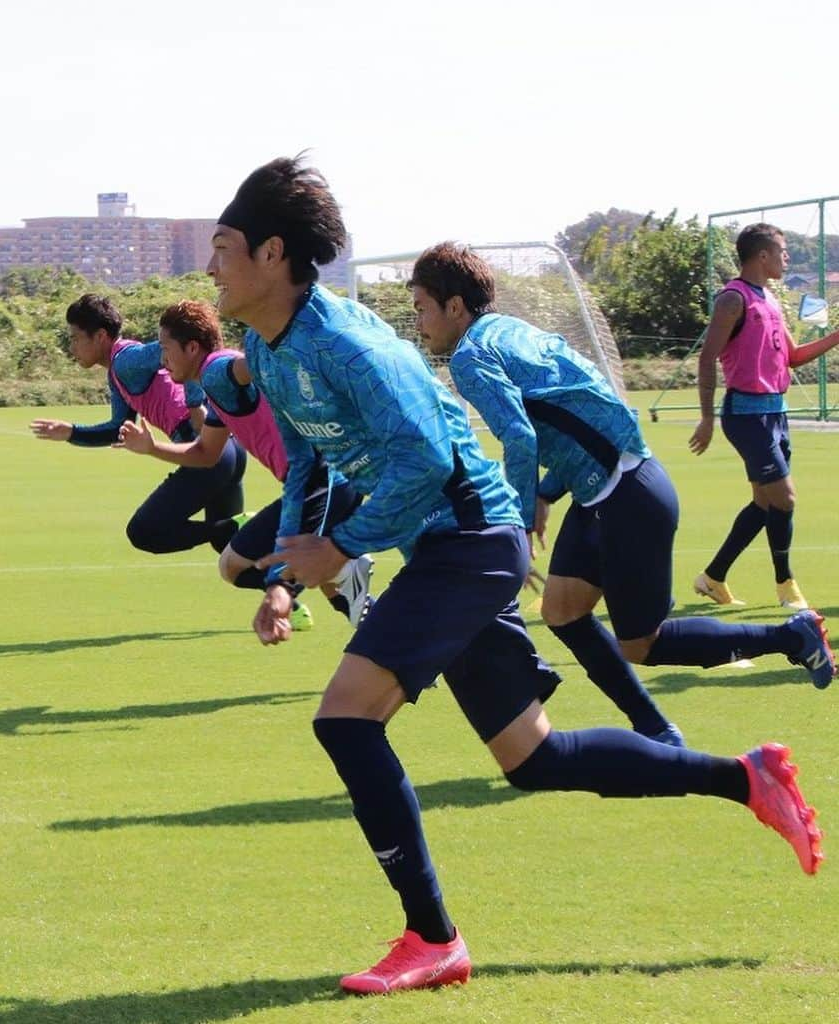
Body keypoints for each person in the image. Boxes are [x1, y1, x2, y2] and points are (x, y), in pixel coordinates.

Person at [208, 156, 824, 996]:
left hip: (471, 538)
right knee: (533, 758)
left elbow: (426, 457)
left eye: (222, 247)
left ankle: (432, 938)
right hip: (450, 548)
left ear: (272, 254)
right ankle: (743, 776)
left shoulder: (346, 341)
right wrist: (285, 567)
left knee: (346, 720)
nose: (211, 267)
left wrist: (345, 546)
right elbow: (311, 460)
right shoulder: (265, 346)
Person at [409, 241, 836, 702]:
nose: (417, 324)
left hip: (624, 496)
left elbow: (520, 437)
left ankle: (791, 637)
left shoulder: (470, 357)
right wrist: (548, 492)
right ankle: (652, 729)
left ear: (454, 306)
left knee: (641, 643)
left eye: (420, 308)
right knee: (561, 611)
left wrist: (515, 522)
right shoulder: (511, 330)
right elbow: (581, 412)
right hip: (616, 488)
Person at [118, 297, 374, 627]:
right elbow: (206, 453)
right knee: (330, 585)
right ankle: (400, 653)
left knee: (235, 566)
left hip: (320, 482)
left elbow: (249, 363)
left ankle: (344, 568)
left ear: (192, 347)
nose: (162, 360)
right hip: (321, 484)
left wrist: (287, 347)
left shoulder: (215, 370)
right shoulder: (215, 388)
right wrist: (152, 448)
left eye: (166, 349)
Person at [690, 223, 839, 609]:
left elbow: (793, 357)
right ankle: (786, 584)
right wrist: (706, 418)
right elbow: (707, 358)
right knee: (785, 500)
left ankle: (712, 577)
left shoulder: (770, 299)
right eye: (782, 252)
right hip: (747, 415)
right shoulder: (732, 299)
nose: (786, 258)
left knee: (764, 503)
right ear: (762, 256)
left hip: (776, 413)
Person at [30, 293, 247, 556]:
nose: (72, 348)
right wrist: (71, 433)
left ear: (100, 336)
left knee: (145, 531)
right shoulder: (118, 372)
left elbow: (190, 350)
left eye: (75, 338)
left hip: (208, 448)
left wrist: (194, 403)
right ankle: (282, 588)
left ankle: (256, 526)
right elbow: (117, 429)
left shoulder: (126, 361)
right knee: (233, 548)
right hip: (228, 449)